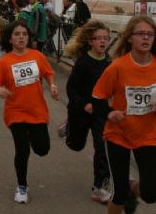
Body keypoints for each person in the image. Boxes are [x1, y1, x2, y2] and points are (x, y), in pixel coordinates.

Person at [92, 16, 156, 214]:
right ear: (129, 38)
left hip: (148, 135)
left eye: (150, 34)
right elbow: (97, 97)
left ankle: (132, 187)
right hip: (119, 134)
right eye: (140, 34)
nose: (145, 38)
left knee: (152, 193)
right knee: (118, 193)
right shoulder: (118, 67)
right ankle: (124, 188)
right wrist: (110, 113)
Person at [0, 20, 59, 204]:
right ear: (10, 39)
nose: (21, 37)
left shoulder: (37, 56)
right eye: (17, 34)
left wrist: (51, 85)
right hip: (16, 112)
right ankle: (22, 186)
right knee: (22, 150)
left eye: (24, 34)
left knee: (42, 149)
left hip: (37, 111)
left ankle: (31, 135)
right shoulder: (5, 62)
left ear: (29, 37)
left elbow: (48, 72)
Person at [62, 20, 113, 204]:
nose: (102, 42)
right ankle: (68, 128)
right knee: (75, 145)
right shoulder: (83, 63)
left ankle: (99, 187)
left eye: (106, 38)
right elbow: (71, 89)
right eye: (98, 38)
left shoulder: (109, 63)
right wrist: (84, 105)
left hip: (100, 112)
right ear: (90, 41)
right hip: (80, 111)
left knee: (102, 148)